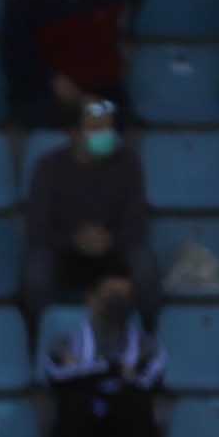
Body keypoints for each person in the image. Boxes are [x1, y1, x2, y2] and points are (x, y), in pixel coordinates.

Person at [24, 100, 158, 314]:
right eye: (96, 128)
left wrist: (109, 239)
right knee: (36, 272)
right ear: (74, 133)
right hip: (64, 254)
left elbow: (136, 221)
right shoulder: (48, 167)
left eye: (108, 127)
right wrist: (75, 240)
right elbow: (37, 226)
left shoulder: (128, 163)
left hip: (114, 251)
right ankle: (40, 336)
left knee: (144, 265)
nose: (105, 135)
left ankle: (147, 336)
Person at [42, 273, 165, 437]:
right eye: (110, 295)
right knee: (76, 399)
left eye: (124, 296)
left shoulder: (146, 345)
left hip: (124, 423)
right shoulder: (67, 341)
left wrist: (89, 370)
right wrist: (113, 370)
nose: (117, 303)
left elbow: (151, 379)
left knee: (134, 399)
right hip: (84, 424)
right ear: (92, 299)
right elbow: (55, 375)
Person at [4, 0, 138, 127]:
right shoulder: (26, 3)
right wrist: (52, 81)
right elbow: (18, 59)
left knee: (121, 121)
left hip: (100, 96)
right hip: (43, 99)